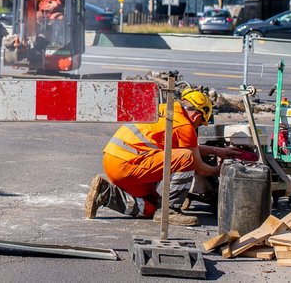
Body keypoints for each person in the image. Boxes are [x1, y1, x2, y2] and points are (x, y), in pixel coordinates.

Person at [84, 88, 239, 226]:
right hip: (128, 165)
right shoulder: (185, 126)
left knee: (153, 207)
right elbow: (199, 167)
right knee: (186, 158)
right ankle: (171, 210)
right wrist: (222, 170)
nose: (198, 126)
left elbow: (187, 149)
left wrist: (216, 151)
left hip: (114, 160)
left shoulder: (165, 110)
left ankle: (106, 193)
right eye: (201, 123)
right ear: (197, 117)